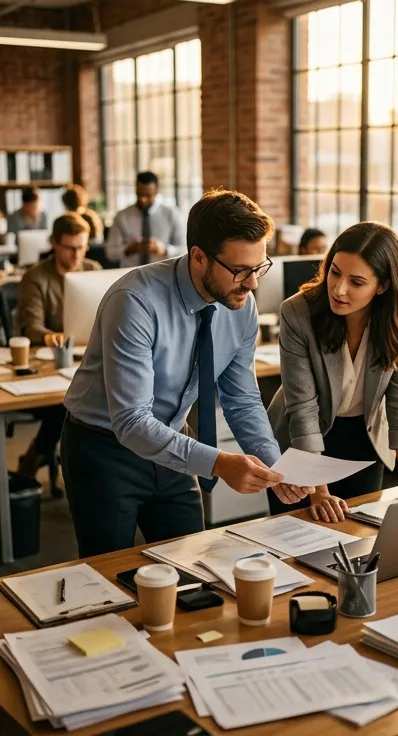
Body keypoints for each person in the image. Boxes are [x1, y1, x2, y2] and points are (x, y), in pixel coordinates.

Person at [61, 189, 308, 558]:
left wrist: (275, 465)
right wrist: (218, 462)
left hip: (175, 442)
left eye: (259, 267)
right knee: (106, 577)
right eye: (240, 270)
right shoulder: (135, 301)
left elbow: (241, 398)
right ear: (198, 257)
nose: (253, 283)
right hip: (104, 449)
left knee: (190, 565)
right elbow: (131, 421)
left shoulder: (241, 305)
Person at [267, 222, 398, 519]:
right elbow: (302, 407)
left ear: (382, 286)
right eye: (334, 272)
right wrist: (318, 490)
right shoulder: (297, 313)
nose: (339, 289)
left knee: (361, 536)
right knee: (299, 543)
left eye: (356, 282)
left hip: (364, 436)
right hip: (301, 440)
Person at [14, 213, 103, 496]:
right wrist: (53, 336)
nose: (77, 254)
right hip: (49, 366)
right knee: (67, 403)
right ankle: (33, 460)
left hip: (88, 361)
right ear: (54, 243)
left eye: (82, 246)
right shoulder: (36, 277)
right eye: (69, 247)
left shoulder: (94, 270)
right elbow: (32, 327)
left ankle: (103, 472)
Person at [106, 171, 187, 268]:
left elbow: (184, 251)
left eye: (148, 196)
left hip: (163, 273)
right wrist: (129, 249)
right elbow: (110, 253)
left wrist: (164, 250)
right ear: (135, 190)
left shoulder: (172, 214)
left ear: (156, 191)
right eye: (139, 194)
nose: (143, 199)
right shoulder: (122, 216)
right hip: (129, 274)